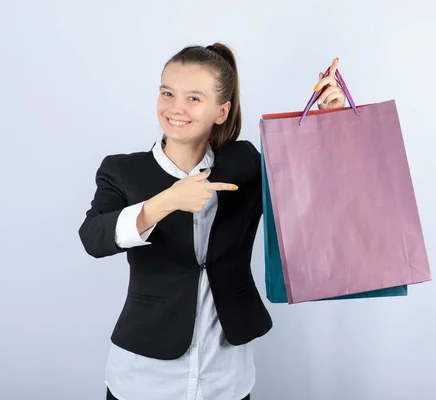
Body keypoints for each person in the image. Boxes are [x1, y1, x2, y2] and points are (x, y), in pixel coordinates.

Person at [78, 42, 347, 400]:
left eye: (193, 98)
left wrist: (333, 125)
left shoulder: (246, 162)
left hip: (226, 377)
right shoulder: (122, 170)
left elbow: (308, 201)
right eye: (167, 93)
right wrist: (166, 201)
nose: (176, 108)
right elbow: (93, 237)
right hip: (143, 377)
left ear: (222, 111)